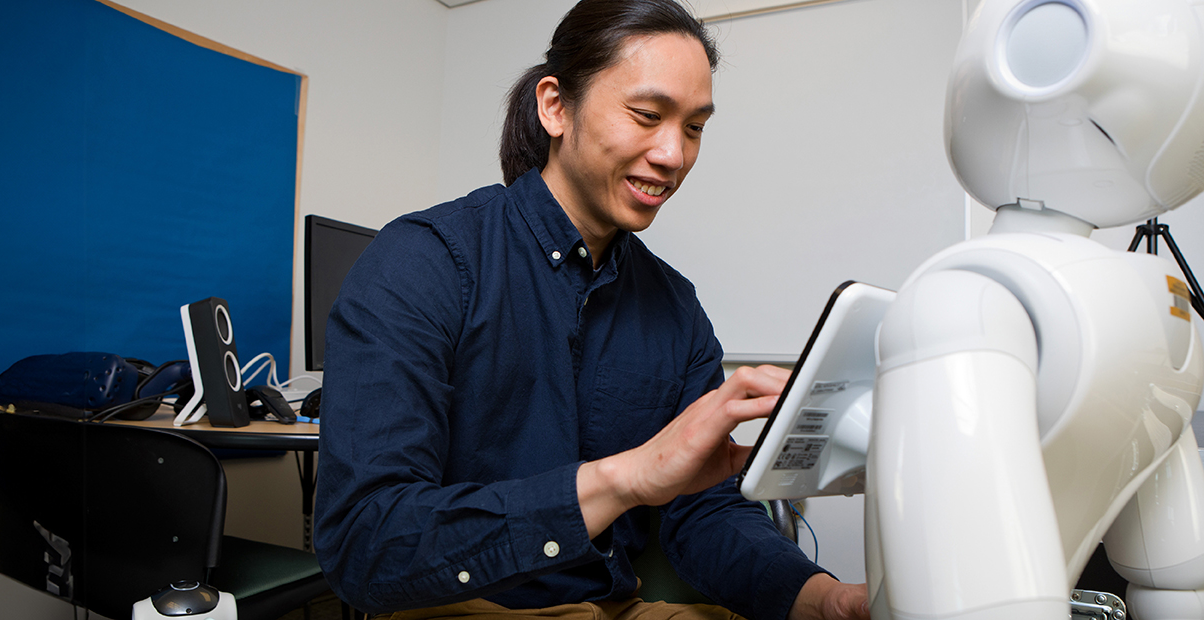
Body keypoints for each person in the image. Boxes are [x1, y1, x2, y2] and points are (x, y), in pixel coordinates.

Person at [315, 1, 870, 619]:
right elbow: (366, 543)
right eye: (647, 115)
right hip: (455, 606)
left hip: (613, 607)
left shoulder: (676, 310)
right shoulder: (424, 262)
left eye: (694, 127)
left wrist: (823, 599)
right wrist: (626, 478)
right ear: (555, 106)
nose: (674, 155)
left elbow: (703, 512)